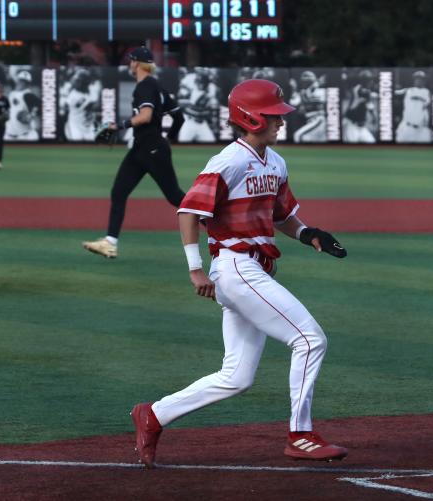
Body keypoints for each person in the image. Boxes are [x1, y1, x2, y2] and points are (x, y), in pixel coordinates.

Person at [129, 78, 349, 468]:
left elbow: (282, 217)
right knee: (310, 340)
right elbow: (188, 212)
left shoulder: (276, 163)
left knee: (237, 377)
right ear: (250, 118)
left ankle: (153, 414)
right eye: (273, 116)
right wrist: (196, 270)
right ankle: (300, 435)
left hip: (252, 272)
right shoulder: (227, 161)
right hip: (235, 268)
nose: (281, 122)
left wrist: (309, 234)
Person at [82, 47, 185, 259]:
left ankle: (215, 220)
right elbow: (179, 117)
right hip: (142, 149)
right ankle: (110, 242)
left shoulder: (145, 87)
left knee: (175, 196)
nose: (130, 64)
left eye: (131, 61)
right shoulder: (157, 86)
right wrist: (169, 138)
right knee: (119, 191)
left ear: (137, 63)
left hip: (152, 150)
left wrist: (119, 125)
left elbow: (145, 116)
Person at [395, 70, 431, 143]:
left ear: (424, 81)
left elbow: (428, 104)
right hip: (406, 127)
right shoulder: (408, 91)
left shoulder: (427, 92)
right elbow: (395, 93)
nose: (418, 80)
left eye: (421, 79)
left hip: (421, 130)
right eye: (417, 78)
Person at [5, 69, 41, 141]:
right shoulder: (12, 94)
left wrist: (31, 115)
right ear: (17, 80)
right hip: (10, 134)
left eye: (24, 82)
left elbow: (39, 105)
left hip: (24, 136)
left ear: (28, 84)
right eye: (20, 80)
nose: (21, 83)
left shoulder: (27, 94)